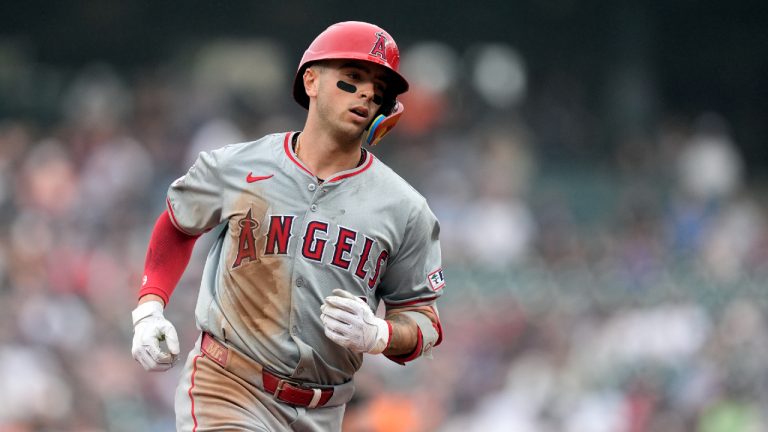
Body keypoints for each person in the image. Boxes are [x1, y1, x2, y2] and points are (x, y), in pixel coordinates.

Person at [130, 21, 445, 431]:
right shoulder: (237, 166)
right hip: (229, 385)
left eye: (379, 90)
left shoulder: (405, 208)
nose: (367, 94)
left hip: (325, 410)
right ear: (310, 81)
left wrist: (381, 335)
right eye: (352, 80)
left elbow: (424, 320)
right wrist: (149, 308)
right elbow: (177, 224)